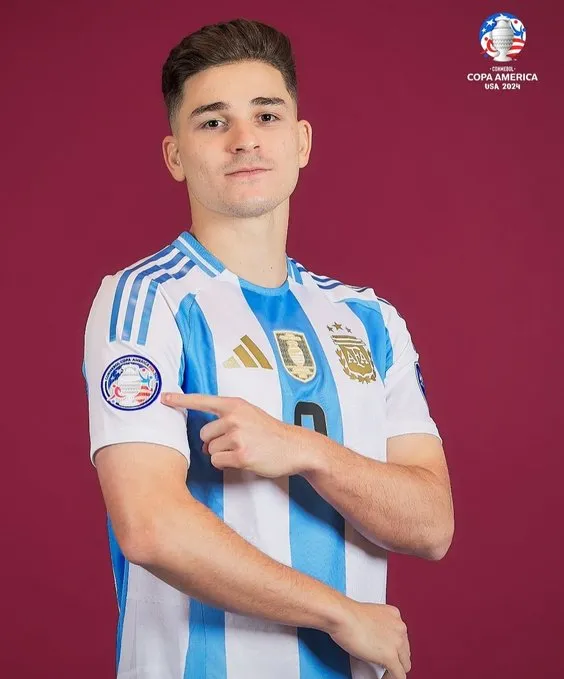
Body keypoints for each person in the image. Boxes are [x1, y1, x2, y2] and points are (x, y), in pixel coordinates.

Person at [82, 17, 454, 679]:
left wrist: (305, 450)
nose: (245, 139)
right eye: (213, 121)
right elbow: (150, 524)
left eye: (266, 115)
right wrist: (337, 612)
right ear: (175, 155)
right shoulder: (144, 300)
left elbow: (431, 525)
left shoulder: (368, 318)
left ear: (301, 141)